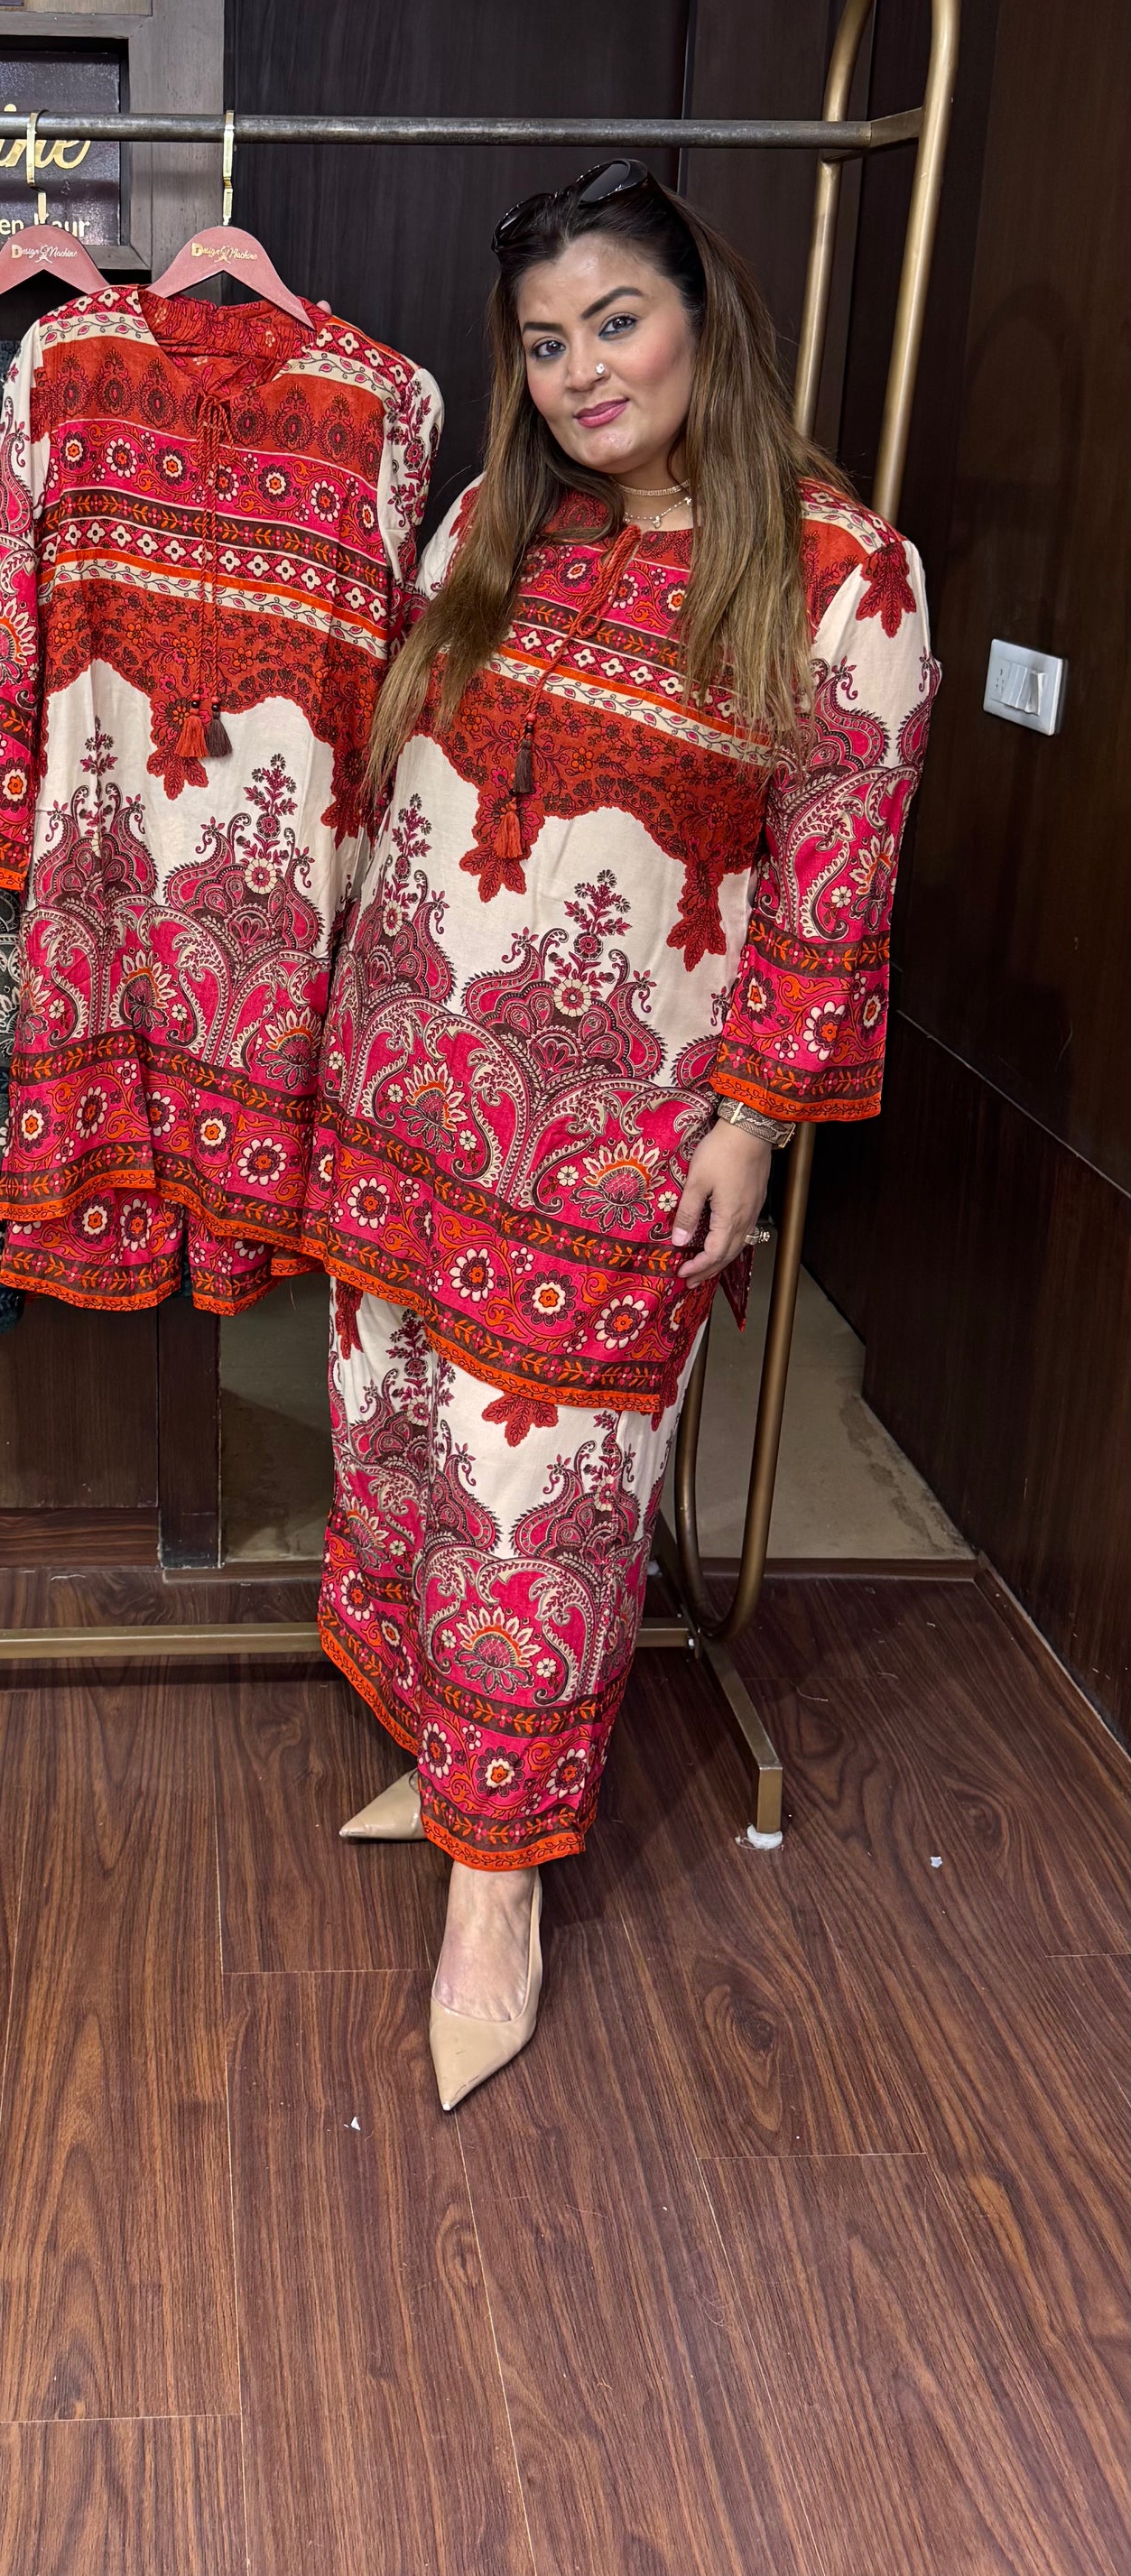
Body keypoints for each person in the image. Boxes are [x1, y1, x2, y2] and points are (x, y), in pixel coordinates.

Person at [300, 162, 937, 2108]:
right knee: (404, 1449)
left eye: (614, 321)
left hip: (613, 1141)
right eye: (543, 341)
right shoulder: (491, 525)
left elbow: (834, 879)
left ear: (699, 320)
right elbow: (402, 793)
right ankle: (446, 1766)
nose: (581, 370)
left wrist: (753, 1120)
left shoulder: (842, 575)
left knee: (543, 1513)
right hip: (404, 1091)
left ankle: (496, 1895)